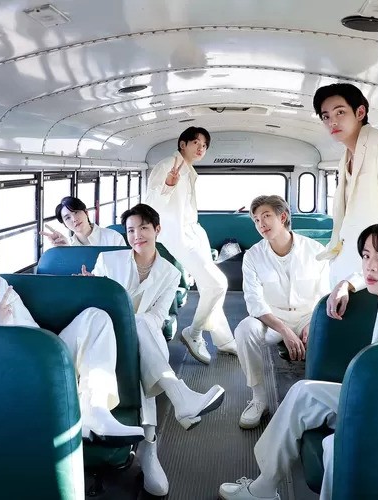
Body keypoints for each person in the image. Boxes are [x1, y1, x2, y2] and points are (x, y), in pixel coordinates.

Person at [218, 220, 378, 500]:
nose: (370, 266)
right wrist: (346, 284)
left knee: (336, 448)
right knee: (303, 392)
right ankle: (264, 488)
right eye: (366, 255)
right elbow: (367, 274)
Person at [0, 218, 144, 445]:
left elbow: (33, 334)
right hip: (1, 391)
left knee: (96, 317)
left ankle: (96, 411)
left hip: (33, 364)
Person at [83, 203, 226, 496]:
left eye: (143, 228)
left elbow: (159, 317)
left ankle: (150, 450)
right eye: (130, 230)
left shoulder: (170, 273)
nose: (137, 235)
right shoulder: (107, 261)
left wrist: (131, 322)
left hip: (145, 336)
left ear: (157, 230)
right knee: (140, 331)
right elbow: (95, 306)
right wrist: (89, 288)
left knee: (141, 330)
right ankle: (175, 404)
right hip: (105, 338)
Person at [312, 83, 378, 300]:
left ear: (360, 112)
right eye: (325, 116)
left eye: (340, 112)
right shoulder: (345, 157)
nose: (332, 121)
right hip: (350, 267)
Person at [233, 195, 329, 430]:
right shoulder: (253, 255)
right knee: (245, 329)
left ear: (283, 216)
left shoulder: (315, 250)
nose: (261, 224)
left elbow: (324, 294)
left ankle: (319, 398)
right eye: (256, 220)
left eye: (266, 216)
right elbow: (254, 302)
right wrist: (285, 330)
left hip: (308, 315)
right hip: (273, 318)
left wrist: (313, 323)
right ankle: (258, 398)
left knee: (329, 333)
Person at [144, 126, 237, 364]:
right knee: (218, 283)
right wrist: (168, 184)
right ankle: (193, 333)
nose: (201, 148)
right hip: (177, 235)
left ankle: (223, 339)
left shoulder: (190, 171)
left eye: (204, 145)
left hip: (195, 232)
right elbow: (149, 206)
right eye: (196, 142)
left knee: (209, 286)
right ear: (182, 144)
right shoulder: (167, 165)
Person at [40, 196, 126, 247]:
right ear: (65, 224)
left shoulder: (113, 238)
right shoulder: (68, 245)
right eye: (67, 218)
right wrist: (66, 250)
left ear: (86, 212)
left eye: (76, 212)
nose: (74, 219)